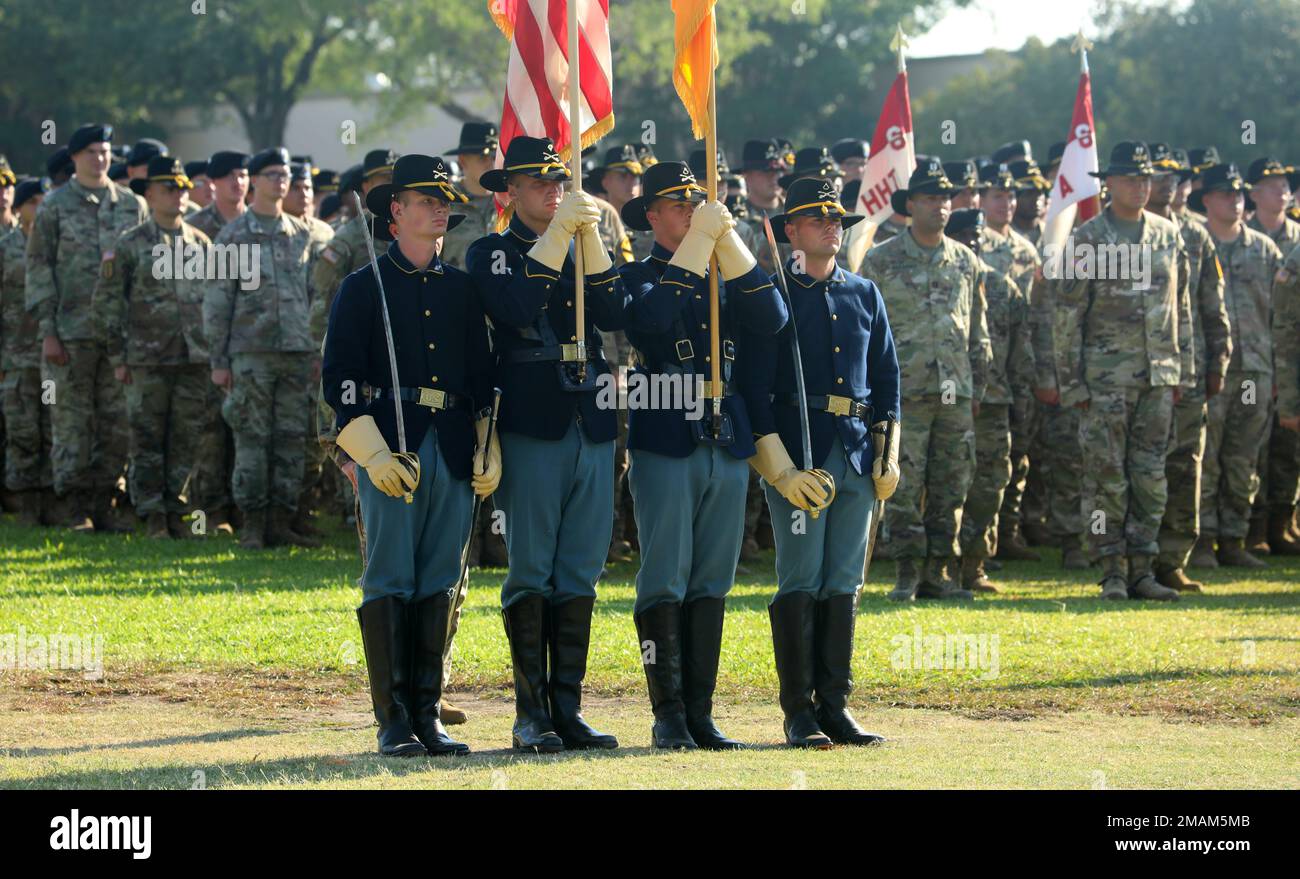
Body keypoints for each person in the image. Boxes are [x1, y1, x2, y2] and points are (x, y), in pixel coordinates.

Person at [323, 154, 497, 758]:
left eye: (445, 199)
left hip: (448, 444)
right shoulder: (361, 286)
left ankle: (427, 713)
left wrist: (485, 442)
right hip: (390, 441)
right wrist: (368, 454)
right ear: (395, 212)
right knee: (391, 577)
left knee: (441, 579)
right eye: (426, 200)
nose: (440, 208)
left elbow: (481, 376)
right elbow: (340, 380)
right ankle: (392, 719)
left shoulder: (463, 289)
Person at [467, 135, 626, 753]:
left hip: (591, 416)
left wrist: (588, 244)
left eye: (559, 182)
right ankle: (529, 713)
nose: (554, 192)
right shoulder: (491, 252)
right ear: (509, 192)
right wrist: (558, 236)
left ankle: (569, 707)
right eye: (538, 183)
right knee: (531, 567)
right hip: (533, 420)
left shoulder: (586, 242)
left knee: (581, 569)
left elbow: (615, 314)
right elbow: (514, 307)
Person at [617, 159, 783, 749]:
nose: (691, 214)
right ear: (653, 215)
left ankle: (700, 712)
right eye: (680, 206)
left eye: (698, 204)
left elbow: (773, 318)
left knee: (713, 577)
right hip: (667, 434)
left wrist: (730, 242)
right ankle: (667, 713)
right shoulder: (635, 274)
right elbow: (651, 324)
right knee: (665, 577)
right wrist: (696, 250)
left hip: (726, 436)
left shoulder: (723, 270)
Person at [739, 176, 898, 747]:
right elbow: (754, 386)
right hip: (801, 453)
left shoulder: (864, 293)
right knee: (801, 577)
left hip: (855, 450)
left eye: (836, 219)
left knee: (843, 580)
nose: (831, 226)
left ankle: (835, 705)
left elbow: (885, 377)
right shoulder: (773, 295)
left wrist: (887, 449)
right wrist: (777, 464)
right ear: (791, 231)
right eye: (816, 218)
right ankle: (798, 712)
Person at [1050, 142, 1191, 600]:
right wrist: (1072, 383)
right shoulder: (1089, 238)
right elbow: (1067, 314)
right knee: (1106, 476)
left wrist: (1180, 371)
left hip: (1157, 379)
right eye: (1131, 178)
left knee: (1151, 476)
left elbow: (1180, 307)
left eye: (1146, 178)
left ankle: (1144, 569)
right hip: (1104, 380)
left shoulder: (1168, 234)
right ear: (1108, 184)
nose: (1141, 186)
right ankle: (1111, 568)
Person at [862, 158, 990, 601]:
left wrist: (978, 388)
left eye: (946, 199)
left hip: (956, 394)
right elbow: (868, 336)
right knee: (902, 483)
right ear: (910, 204)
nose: (941, 206)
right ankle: (907, 571)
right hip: (904, 394)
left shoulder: (966, 261)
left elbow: (978, 332)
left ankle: (940, 572)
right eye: (931, 198)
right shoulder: (880, 262)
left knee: (952, 482)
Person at [25, 123, 146, 531]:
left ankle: (104, 501)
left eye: (105, 151)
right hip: (69, 332)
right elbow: (39, 267)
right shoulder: (54, 206)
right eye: (91, 151)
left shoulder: (132, 205)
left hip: (118, 337)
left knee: (116, 424)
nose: (100, 158)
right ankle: (72, 505)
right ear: (75, 157)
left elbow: (145, 272)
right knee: (72, 422)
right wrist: (48, 331)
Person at [203, 147, 322, 550]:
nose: (280, 181)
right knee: (252, 440)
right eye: (271, 174)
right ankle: (253, 524)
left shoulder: (301, 234)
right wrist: (219, 361)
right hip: (250, 356)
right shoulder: (233, 235)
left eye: (284, 174)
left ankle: (282, 521)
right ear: (254, 180)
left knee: (291, 440)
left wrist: (318, 351)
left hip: (297, 353)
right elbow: (217, 303)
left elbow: (314, 297)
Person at [94, 157, 213, 539]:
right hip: (146, 357)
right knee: (146, 436)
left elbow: (213, 302)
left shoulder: (201, 242)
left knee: (185, 436)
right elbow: (109, 302)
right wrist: (118, 356)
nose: (179, 195)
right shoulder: (129, 244)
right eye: (169, 188)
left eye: (182, 188)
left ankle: (175, 508)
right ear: (149, 194)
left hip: (192, 357)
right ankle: (151, 514)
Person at [1188, 163, 1284, 569]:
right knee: (1205, 457)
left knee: (1245, 459)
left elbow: (1282, 316)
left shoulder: (1264, 250)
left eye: (1239, 193)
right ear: (1207, 199)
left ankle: (1234, 538)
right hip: (1209, 370)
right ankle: (1202, 540)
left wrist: (1280, 372)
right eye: (1225, 193)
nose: (1235, 199)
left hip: (1256, 370)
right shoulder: (1193, 246)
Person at [1146, 144, 1232, 592]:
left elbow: (1211, 302)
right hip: (1142, 371)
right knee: (1141, 467)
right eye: (1157, 175)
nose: (1166, 184)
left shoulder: (1196, 235)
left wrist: (1218, 359)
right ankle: (1133, 558)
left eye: (1174, 176)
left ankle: (1174, 556)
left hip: (1188, 369)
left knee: (1185, 464)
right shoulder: (1127, 233)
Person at [948, 209, 1033, 594]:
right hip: (944, 401)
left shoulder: (1003, 288)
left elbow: (1020, 355)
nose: (972, 243)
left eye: (978, 237)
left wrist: (1022, 404)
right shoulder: (939, 282)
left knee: (990, 484)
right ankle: (937, 565)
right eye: (964, 236)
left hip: (994, 403)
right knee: (945, 485)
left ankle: (974, 563)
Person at [0, 177, 53, 525]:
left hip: (53, 356)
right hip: (15, 356)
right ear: (18, 208)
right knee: (22, 432)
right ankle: (25, 506)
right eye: (32, 201)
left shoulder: (55, 247)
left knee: (53, 430)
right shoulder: (6, 247)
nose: (39, 207)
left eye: (43, 201)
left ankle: (55, 502)